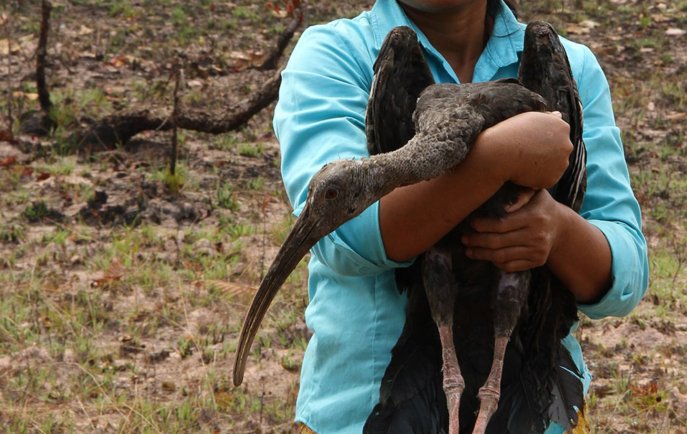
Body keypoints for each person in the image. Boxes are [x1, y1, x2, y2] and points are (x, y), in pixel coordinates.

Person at [272, 0, 648, 432]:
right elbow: (346, 237)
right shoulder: (336, 54)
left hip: (534, 407)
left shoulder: (568, 62)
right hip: (367, 412)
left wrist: (558, 231)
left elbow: (626, 269)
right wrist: (502, 156)